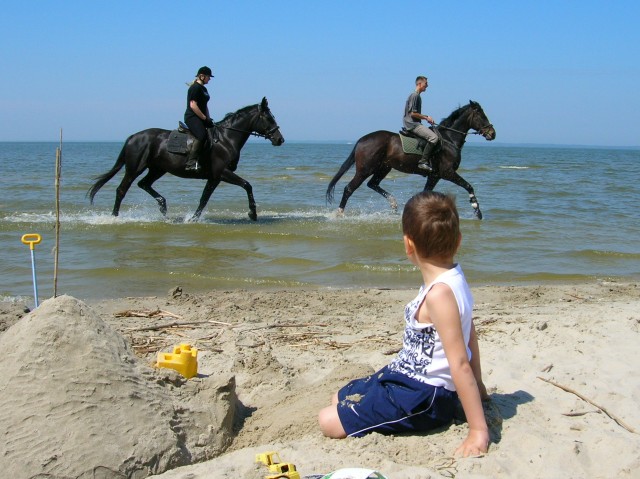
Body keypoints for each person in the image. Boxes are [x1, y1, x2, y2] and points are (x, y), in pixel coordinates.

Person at [318, 191, 490, 458]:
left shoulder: (440, 294)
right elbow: (470, 334)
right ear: (458, 241)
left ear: (408, 245)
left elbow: (459, 363)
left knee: (327, 421)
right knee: (341, 395)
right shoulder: (453, 277)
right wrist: (479, 386)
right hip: (405, 374)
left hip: (425, 395)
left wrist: (478, 430)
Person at [403, 76, 439, 172]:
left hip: (414, 123)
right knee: (434, 138)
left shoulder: (417, 96)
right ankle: (423, 162)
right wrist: (427, 117)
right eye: (425, 84)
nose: (427, 85)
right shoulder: (415, 96)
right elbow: (413, 113)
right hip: (412, 124)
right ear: (419, 84)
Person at [184, 66, 215, 171]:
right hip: (192, 117)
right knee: (201, 136)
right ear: (202, 76)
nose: (209, 79)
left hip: (201, 117)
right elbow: (193, 105)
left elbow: (205, 106)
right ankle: (191, 162)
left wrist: (209, 119)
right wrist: (204, 118)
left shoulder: (204, 89)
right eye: (208, 77)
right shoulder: (195, 88)